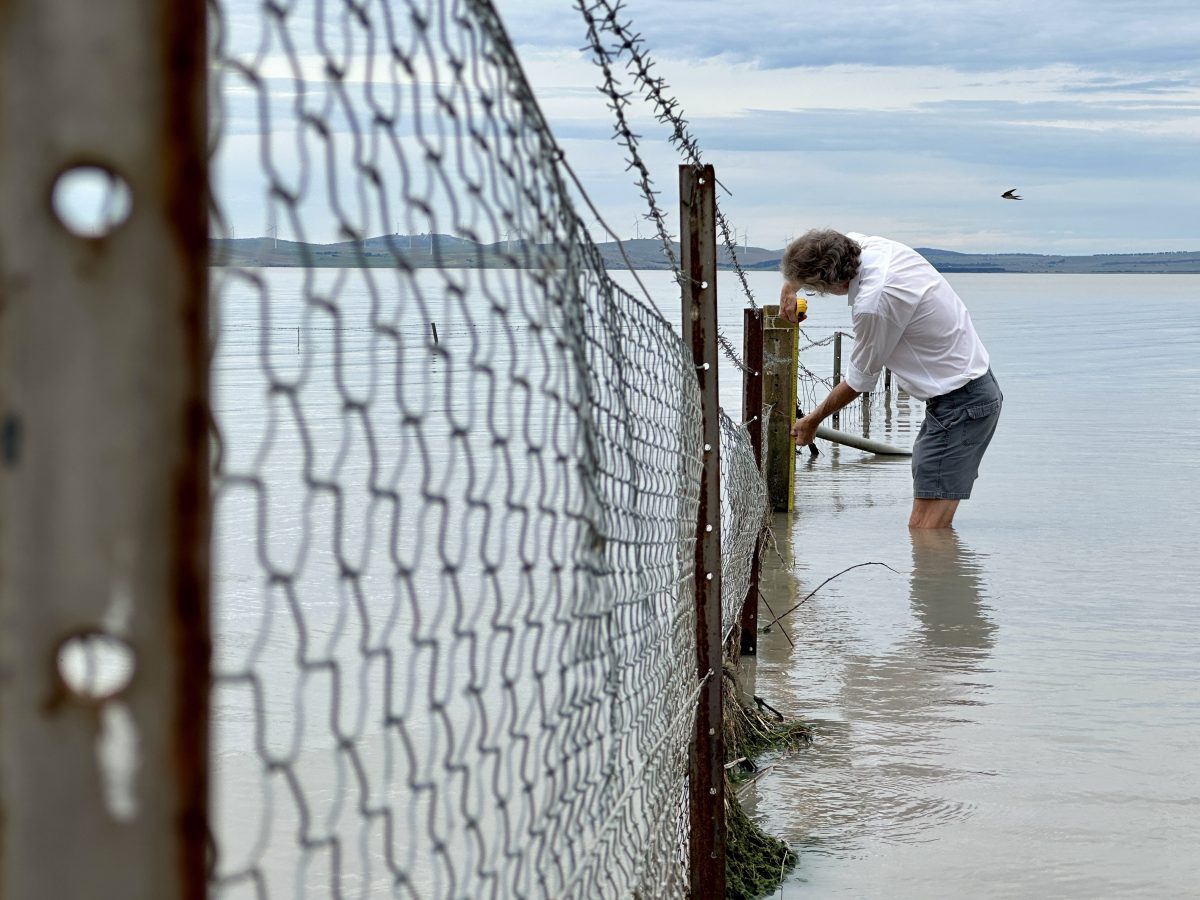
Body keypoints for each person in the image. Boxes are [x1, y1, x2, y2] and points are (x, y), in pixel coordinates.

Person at [779, 229, 1002, 529]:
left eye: (812, 288)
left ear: (829, 284)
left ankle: (939, 575)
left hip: (961, 405)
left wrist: (812, 420)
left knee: (925, 530)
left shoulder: (875, 303)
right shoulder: (865, 246)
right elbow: (816, 254)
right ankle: (945, 574)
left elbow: (858, 382)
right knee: (931, 527)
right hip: (966, 394)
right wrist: (789, 289)